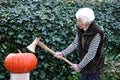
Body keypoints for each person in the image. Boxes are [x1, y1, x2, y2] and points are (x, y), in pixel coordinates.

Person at [54, 8, 105, 80]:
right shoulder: (81, 29)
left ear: (87, 22)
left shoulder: (96, 33)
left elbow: (91, 53)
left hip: (94, 64)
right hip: (85, 63)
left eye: (79, 21)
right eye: (77, 20)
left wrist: (79, 66)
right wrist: (62, 53)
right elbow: (74, 43)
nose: (77, 23)